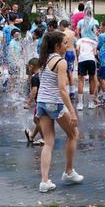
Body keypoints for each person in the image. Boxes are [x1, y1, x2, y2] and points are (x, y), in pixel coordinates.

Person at [36, 31, 82, 193]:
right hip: (54, 103)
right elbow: (62, 90)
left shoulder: (44, 59)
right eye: (65, 43)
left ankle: (44, 181)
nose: (67, 46)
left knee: (48, 142)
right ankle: (68, 172)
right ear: (57, 46)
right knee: (73, 134)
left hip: (41, 103)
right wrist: (72, 111)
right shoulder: (60, 62)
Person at [24, 58, 44, 146]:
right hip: (44, 100)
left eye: (28, 67)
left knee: (36, 120)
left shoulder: (34, 78)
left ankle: (44, 138)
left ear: (32, 66)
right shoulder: (42, 75)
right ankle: (32, 136)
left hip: (40, 101)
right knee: (38, 120)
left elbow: (34, 90)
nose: (28, 69)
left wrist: (28, 103)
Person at [76, 35, 98, 111]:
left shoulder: (80, 40)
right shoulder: (94, 41)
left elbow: (77, 49)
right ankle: (91, 102)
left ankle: (80, 103)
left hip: (82, 59)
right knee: (92, 80)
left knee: (81, 80)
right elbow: (95, 53)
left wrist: (79, 57)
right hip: (91, 59)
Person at [59, 20, 77, 99]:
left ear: (62, 25)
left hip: (66, 53)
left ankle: (65, 91)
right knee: (70, 72)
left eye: (60, 26)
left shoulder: (63, 34)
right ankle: (72, 91)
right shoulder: (72, 33)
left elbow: (64, 45)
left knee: (65, 73)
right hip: (72, 53)